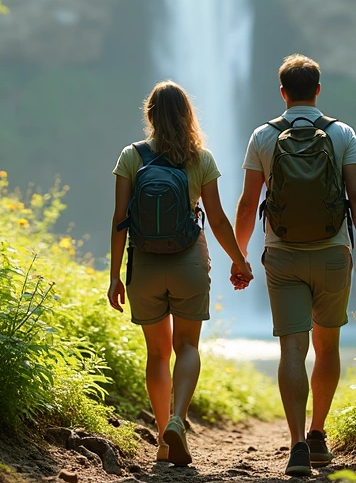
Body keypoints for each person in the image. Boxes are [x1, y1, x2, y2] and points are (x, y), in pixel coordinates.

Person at [234, 54, 356, 477]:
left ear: (283, 92)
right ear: (317, 89)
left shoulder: (263, 135)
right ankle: (318, 435)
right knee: (327, 346)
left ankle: (296, 444)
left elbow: (247, 203)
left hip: (283, 256)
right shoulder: (342, 133)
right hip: (334, 253)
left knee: (292, 349)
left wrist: (240, 256)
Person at [106, 81, 253, 467]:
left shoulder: (131, 157)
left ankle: (162, 442)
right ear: (188, 115)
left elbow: (120, 219)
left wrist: (114, 275)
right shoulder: (200, 158)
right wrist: (239, 260)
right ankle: (178, 419)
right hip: (188, 262)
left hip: (144, 266)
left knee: (157, 352)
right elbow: (218, 219)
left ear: (150, 114)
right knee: (187, 347)